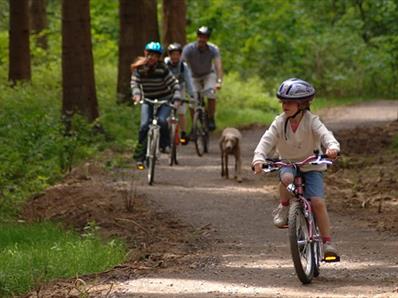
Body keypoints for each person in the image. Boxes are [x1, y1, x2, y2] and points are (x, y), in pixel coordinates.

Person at [252, 78, 340, 258]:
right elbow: (266, 140)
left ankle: (327, 243)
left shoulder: (312, 120)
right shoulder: (279, 121)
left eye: (290, 102)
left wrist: (332, 147)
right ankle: (285, 207)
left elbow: (325, 135)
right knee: (286, 179)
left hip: (312, 165)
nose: (285, 105)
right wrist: (258, 158)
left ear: (302, 104)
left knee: (317, 202)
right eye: (283, 101)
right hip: (288, 163)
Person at [131, 41, 181, 169]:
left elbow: (174, 83)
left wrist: (176, 96)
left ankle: (164, 145)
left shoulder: (163, 68)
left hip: (164, 100)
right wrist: (137, 95)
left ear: (158, 57)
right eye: (149, 54)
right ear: (145, 54)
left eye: (155, 55)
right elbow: (135, 84)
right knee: (144, 126)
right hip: (148, 100)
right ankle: (140, 157)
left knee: (162, 121)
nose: (151, 58)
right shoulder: (139, 69)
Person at [181, 26, 223, 131]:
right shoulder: (188, 49)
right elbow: (181, 64)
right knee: (192, 99)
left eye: (204, 37)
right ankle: (194, 125)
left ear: (208, 39)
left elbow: (218, 65)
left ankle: (211, 117)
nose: (202, 39)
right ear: (197, 37)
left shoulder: (213, 49)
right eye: (200, 36)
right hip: (193, 76)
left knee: (211, 93)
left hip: (208, 74)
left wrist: (219, 81)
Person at [165, 42, 196, 145]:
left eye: (177, 54)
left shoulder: (183, 66)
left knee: (181, 112)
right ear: (169, 55)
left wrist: (192, 95)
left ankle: (183, 133)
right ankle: (166, 135)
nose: (175, 57)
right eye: (172, 54)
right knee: (166, 113)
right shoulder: (164, 64)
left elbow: (188, 81)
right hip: (166, 89)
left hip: (180, 89)